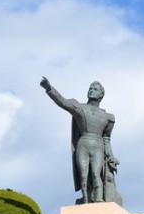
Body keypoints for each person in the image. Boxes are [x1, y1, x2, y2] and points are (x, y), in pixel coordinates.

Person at [40, 76, 122, 205]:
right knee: (83, 176)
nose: (91, 90)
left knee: (96, 174)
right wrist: (50, 89)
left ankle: (99, 199)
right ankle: (85, 200)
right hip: (83, 144)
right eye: (90, 88)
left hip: (98, 146)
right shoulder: (79, 107)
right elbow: (63, 102)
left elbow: (106, 139)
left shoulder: (108, 117)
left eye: (95, 89)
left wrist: (111, 156)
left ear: (101, 95)